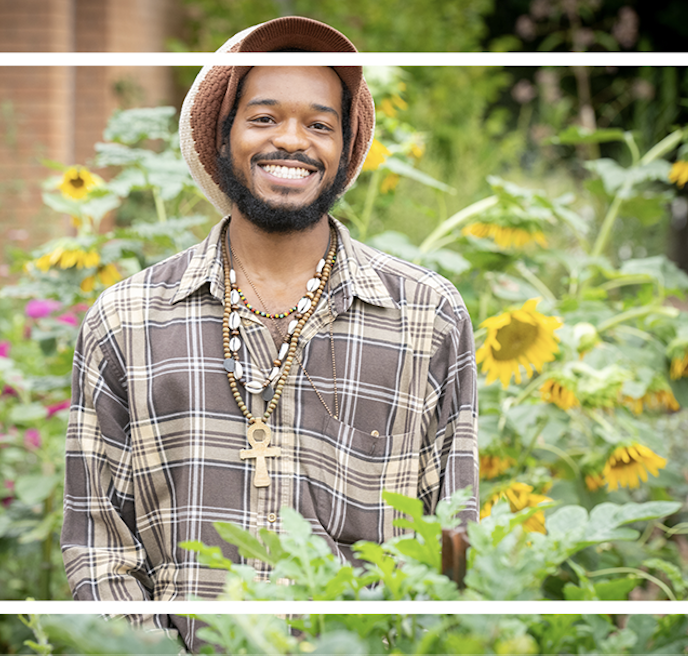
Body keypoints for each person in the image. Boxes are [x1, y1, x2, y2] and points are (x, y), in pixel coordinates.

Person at [59, 16, 479, 649]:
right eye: (263, 118)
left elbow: (452, 538)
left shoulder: (426, 317)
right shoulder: (127, 322)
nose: (292, 141)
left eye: (319, 124)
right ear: (222, 135)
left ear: (346, 147)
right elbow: (98, 545)